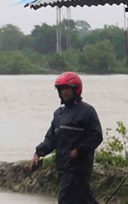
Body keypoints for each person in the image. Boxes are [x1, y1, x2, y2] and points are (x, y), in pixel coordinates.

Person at [31, 72, 103, 204]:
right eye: (61, 89)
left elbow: (96, 136)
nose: (64, 92)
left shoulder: (87, 111)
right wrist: (39, 152)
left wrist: (78, 151)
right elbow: (51, 138)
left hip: (78, 167)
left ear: (76, 89)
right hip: (63, 166)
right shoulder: (59, 114)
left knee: (65, 199)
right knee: (84, 199)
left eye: (67, 89)